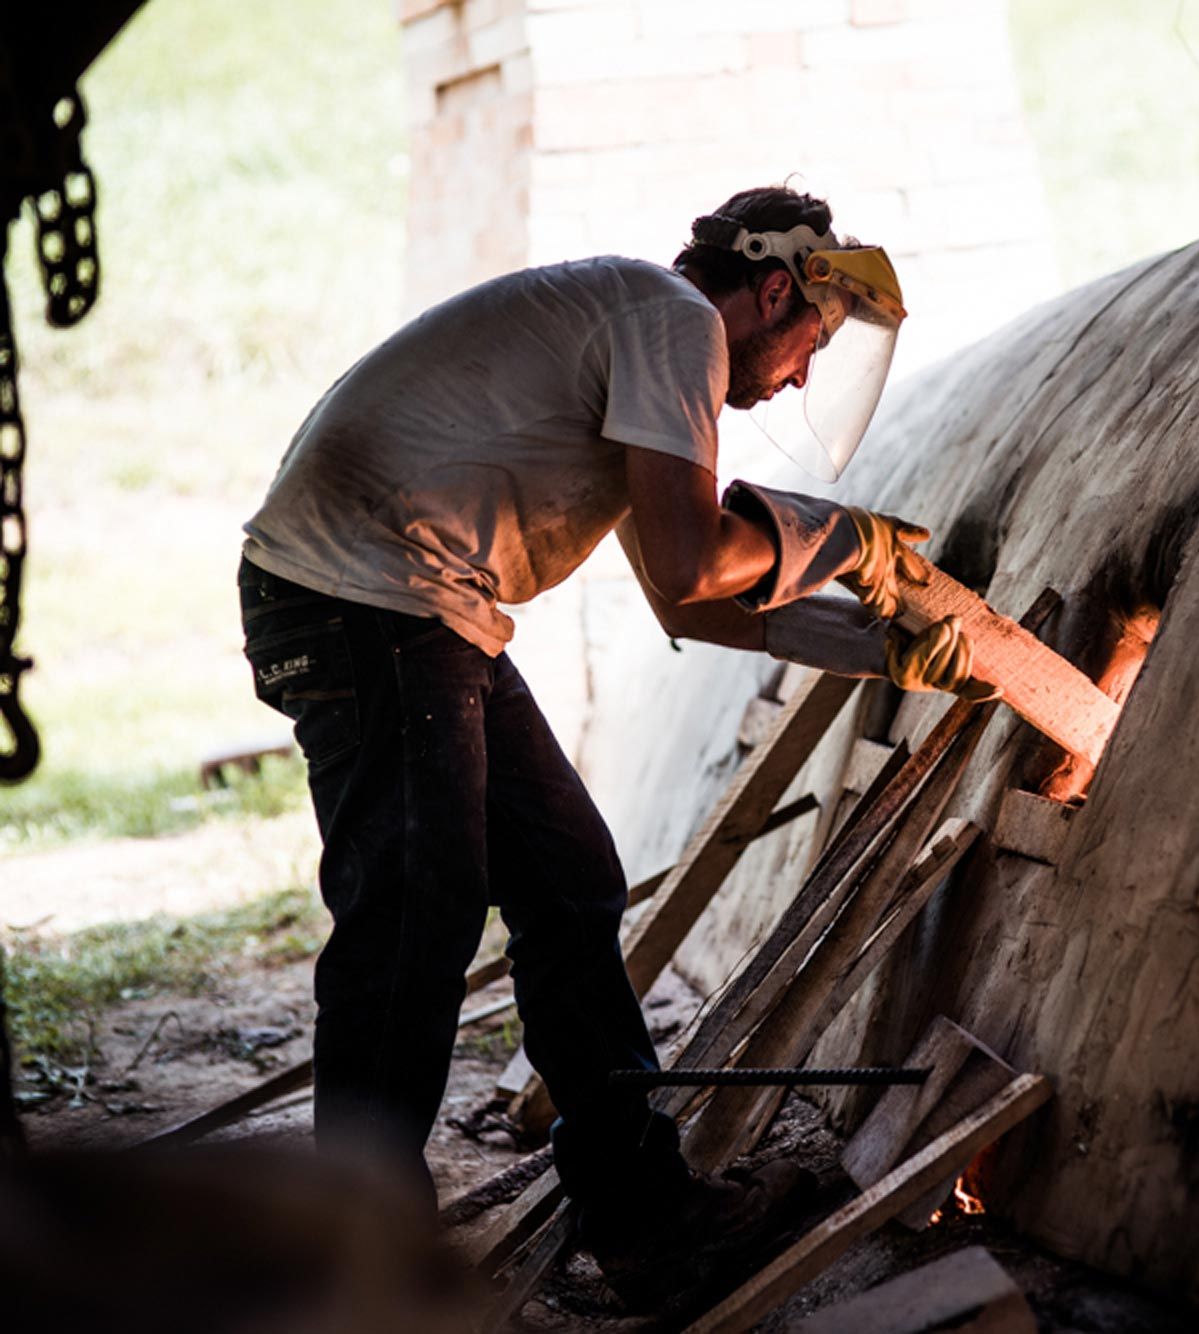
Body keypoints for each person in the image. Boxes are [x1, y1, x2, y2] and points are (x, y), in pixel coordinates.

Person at [235, 185, 982, 1289]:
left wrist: (886, 648)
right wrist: (843, 539)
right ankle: (360, 1261)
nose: (801, 377)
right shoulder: (670, 322)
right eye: (811, 343)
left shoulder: (640, 341)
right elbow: (696, 565)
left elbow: (692, 599)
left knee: (569, 881)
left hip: (419, 608)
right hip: (366, 599)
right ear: (775, 289)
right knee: (415, 915)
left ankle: (639, 1211)